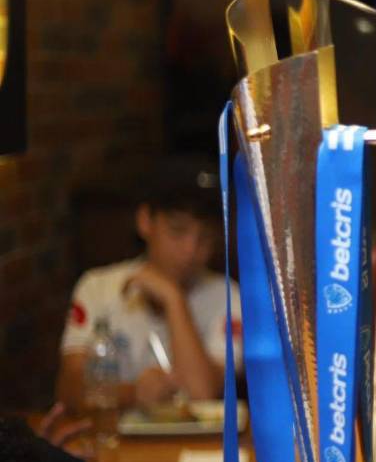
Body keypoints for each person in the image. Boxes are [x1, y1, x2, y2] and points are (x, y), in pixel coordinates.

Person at [56, 161, 239, 412]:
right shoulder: (97, 287)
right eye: (177, 230)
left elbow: (202, 394)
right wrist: (132, 393)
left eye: (205, 237)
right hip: (113, 434)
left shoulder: (229, 296)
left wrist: (173, 299)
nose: (191, 250)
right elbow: (68, 390)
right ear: (144, 221)